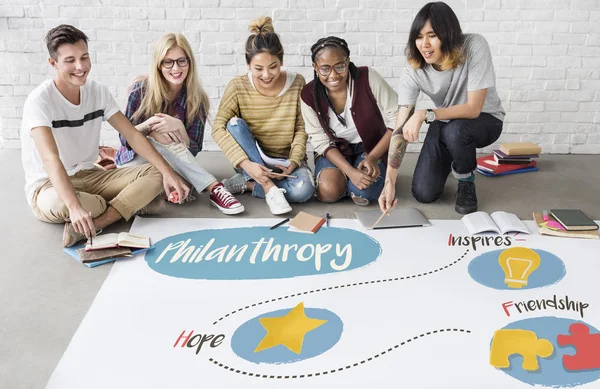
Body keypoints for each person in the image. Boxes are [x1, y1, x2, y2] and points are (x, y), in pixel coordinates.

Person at [20, 24, 190, 247]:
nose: (80, 66)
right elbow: (50, 159)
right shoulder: (40, 100)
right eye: (70, 60)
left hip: (91, 175)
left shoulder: (97, 91)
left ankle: (102, 218)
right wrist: (74, 207)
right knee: (63, 204)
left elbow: (132, 135)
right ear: (53, 63)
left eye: (84, 57)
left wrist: (168, 173)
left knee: (158, 173)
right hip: (49, 185)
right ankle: (125, 204)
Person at [379, 1, 505, 215]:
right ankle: (452, 157)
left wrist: (425, 114)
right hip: (444, 121)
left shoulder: (474, 46)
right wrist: (389, 181)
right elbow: (400, 127)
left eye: (432, 35)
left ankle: (466, 180)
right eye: (419, 37)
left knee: (456, 131)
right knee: (424, 193)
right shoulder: (414, 69)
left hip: (485, 120)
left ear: (448, 34)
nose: (424, 44)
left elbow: (474, 109)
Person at [114, 33, 244, 215]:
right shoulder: (141, 90)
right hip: (134, 162)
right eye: (168, 62)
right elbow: (124, 139)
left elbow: (193, 150)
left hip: (172, 163)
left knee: (178, 184)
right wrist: (149, 125)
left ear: (189, 62)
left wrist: (180, 128)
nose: (176, 68)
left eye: (182, 61)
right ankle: (214, 187)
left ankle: (164, 186)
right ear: (159, 65)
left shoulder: (197, 99)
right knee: (157, 133)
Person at [212, 16, 315, 215]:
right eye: (259, 68)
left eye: (273, 66)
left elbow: (302, 128)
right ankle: (267, 186)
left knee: (304, 190)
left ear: (282, 61)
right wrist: (247, 164)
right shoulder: (237, 86)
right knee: (233, 124)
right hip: (253, 159)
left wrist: (293, 162)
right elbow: (218, 128)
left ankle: (248, 185)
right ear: (248, 65)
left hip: (285, 162)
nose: (267, 75)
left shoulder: (298, 83)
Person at [300, 36, 399, 205]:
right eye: (325, 69)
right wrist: (350, 172)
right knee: (327, 192)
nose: (333, 75)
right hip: (334, 150)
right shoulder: (309, 94)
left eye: (340, 66)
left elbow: (397, 118)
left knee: (364, 193)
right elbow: (320, 141)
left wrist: (374, 157)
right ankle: (343, 179)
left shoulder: (368, 77)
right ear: (315, 68)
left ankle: (352, 181)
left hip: (370, 148)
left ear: (348, 61)